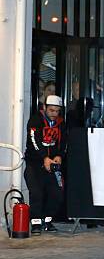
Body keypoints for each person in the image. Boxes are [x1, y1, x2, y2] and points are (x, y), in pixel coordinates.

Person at [24, 95, 66, 234]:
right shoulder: (35, 121)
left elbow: (64, 141)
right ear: (44, 108)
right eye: (51, 110)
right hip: (35, 164)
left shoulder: (61, 122)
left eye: (57, 111)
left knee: (56, 194)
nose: (54, 114)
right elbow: (34, 141)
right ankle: (35, 222)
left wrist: (59, 155)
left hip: (53, 164)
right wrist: (45, 157)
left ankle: (48, 220)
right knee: (36, 192)